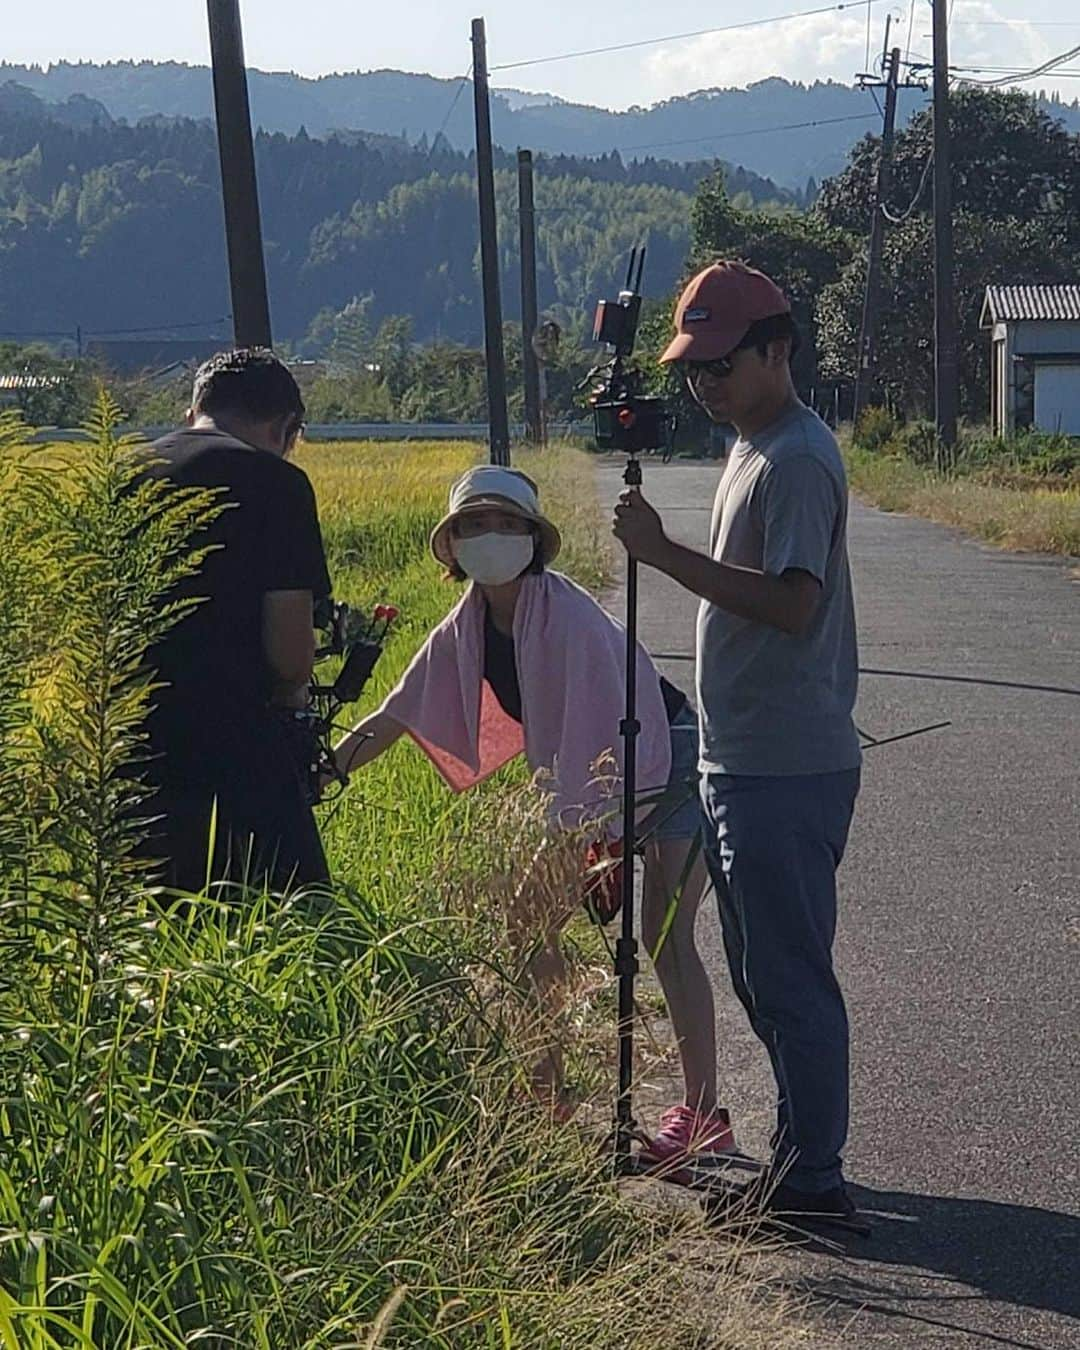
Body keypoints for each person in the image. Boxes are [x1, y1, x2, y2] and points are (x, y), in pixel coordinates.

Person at [331, 464, 732, 1161]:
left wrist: (590, 839)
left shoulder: (567, 617)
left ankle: (703, 1115)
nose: (491, 536)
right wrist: (323, 770)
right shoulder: (468, 628)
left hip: (663, 761)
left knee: (665, 937)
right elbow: (398, 712)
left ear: (533, 540)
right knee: (528, 923)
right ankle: (547, 1087)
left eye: (507, 524)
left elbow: (601, 734)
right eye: (474, 525)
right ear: (452, 544)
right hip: (593, 788)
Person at [613, 261, 862, 1221]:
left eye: (721, 364)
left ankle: (811, 1180)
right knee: (760, 968)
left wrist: (664, 556)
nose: (705, 385)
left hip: (784, 763)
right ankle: (804, 1154)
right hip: (739, 753)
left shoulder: (795, 457)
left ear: (777, 350)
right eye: (693, 369)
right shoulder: (752, 446)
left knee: (789, 975)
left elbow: (794, 606)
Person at [137, 347, 332, 894]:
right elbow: (291, 657)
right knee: (301, 917)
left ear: (194, 411)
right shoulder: (277, 486)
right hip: (238, 749)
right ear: (286, 428)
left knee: (150, 923)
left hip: (128, 745)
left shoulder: (123, 475)